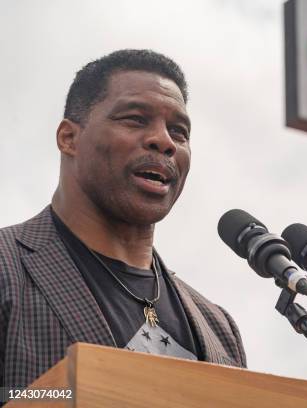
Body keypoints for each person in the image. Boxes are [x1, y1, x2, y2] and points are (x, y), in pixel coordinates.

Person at [0, 50, 246, 390]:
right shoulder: (6, 266)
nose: (164, 141)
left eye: (179, 131)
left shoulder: (218, 327)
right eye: (134, 119)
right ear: (69, 138)